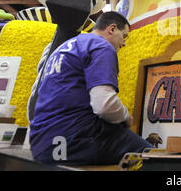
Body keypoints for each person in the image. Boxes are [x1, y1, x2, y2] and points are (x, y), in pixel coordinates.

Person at [29, 11, 153, 165]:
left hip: (40, 145)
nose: (124, 43)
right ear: (112, 29)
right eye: (124, 36)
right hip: (72, 139)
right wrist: (126, 117)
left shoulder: (64, 48)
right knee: (154, 158)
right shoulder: (101, 46)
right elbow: (104, 106)